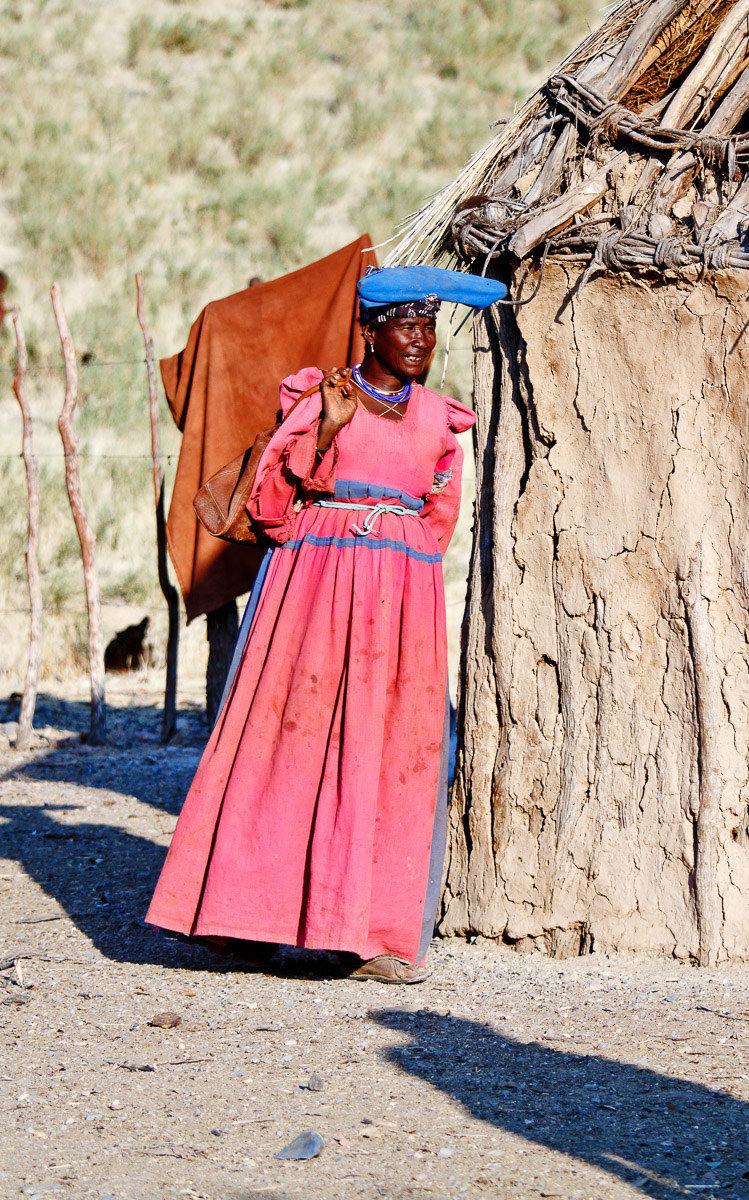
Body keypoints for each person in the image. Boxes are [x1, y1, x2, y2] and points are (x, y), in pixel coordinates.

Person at [146, 265, 506, 983]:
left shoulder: (441, 419)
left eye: (429, 327)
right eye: (406, 325)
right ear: (370, 330)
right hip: (310, 591)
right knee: (287, 739)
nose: (420, 340)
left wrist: (393, 560)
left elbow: (437, 520)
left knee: (387, 750)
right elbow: (272, 506)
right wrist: (321, 441)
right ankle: (244, 922)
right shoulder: (323, 399)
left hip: (398, 603)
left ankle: (368, 933)